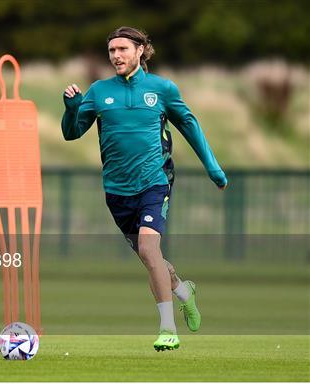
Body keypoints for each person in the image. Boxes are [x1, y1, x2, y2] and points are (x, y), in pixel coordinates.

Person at [61, 26, 228, 351]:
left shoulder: (161, 89)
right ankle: (183, 291)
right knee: (151, 259)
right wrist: (72, 109)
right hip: (117, 191)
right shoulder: (99, 91)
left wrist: (213, 168)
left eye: (123, 49)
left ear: (140, 50)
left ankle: (168, 329)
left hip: (154, 182)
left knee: (150, 251)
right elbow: (71, 133)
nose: (116, 56)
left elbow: (190, 126)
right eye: (112, 51)